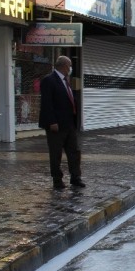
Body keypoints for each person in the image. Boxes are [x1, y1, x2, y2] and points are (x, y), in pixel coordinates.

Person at [38, 56, 84, 190]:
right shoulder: (49, 80)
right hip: (56, 124)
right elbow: (47, 103)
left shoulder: (65, 80)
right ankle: (57, 180)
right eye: (69, 66)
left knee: (74, 152)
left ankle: (76, 177)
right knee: (56, 153)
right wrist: (52, 121)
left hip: (69, 123)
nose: (70, 69)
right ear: (64, 66)